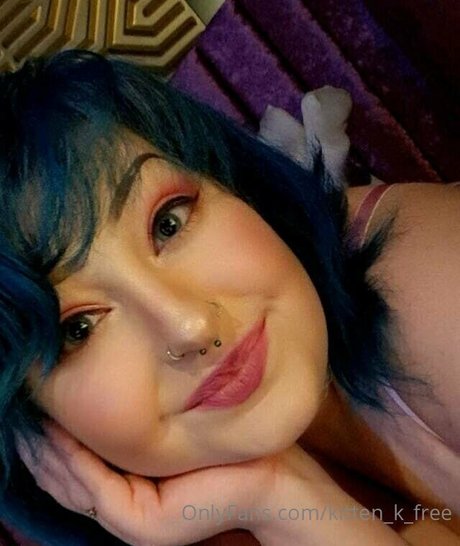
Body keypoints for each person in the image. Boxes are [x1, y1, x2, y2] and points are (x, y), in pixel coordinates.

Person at [0, 49, 458, 546]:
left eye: (168, 224)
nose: (189, 327)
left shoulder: (428, 282)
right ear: (39, 428)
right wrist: (275, 499)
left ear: (235, 185)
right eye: (79, 328)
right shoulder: (186, 518)